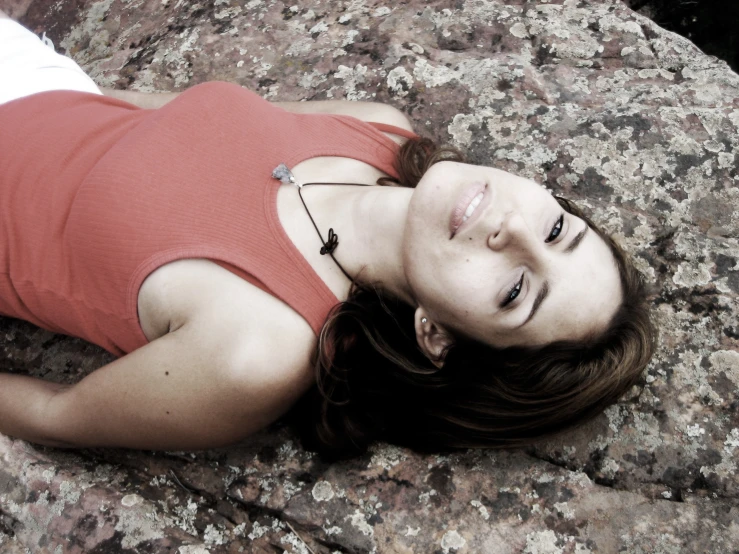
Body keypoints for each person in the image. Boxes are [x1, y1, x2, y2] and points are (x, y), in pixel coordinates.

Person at [0, 13, 656, 458]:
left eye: (515, 290)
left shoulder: (254, 352)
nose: (511, 229)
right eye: (553, 228)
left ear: (436, 334)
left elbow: (56, 416)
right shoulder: (380, 129)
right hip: (30, 76)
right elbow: (153, 112)